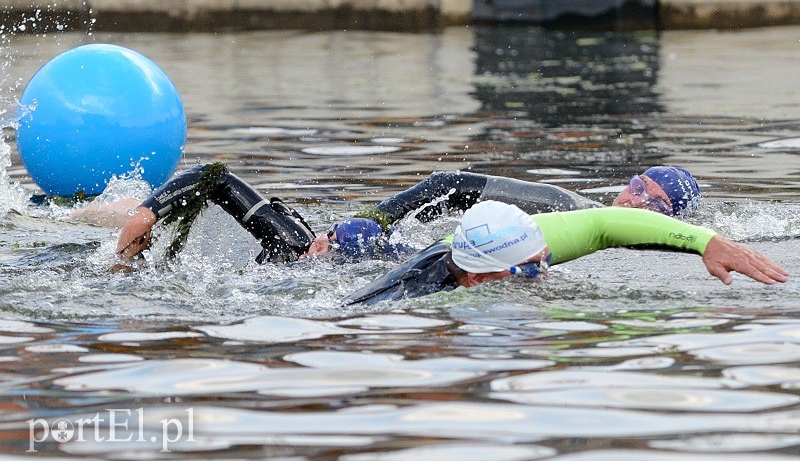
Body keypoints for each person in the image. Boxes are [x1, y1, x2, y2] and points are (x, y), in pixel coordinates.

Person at [108, 163, 702, 263]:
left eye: (649, 199)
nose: (632, 198)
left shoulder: (577, 218)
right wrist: (146, 213)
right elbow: (215, 178)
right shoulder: (295, 243)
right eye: (635, 184)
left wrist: (371, 233)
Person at [342, 200, 789, 306]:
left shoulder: (504, 251)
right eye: (531, 271)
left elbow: (602, 223)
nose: (545, 274)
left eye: (545, 261)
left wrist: (707, 242)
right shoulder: (406, 302)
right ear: (476, 279)